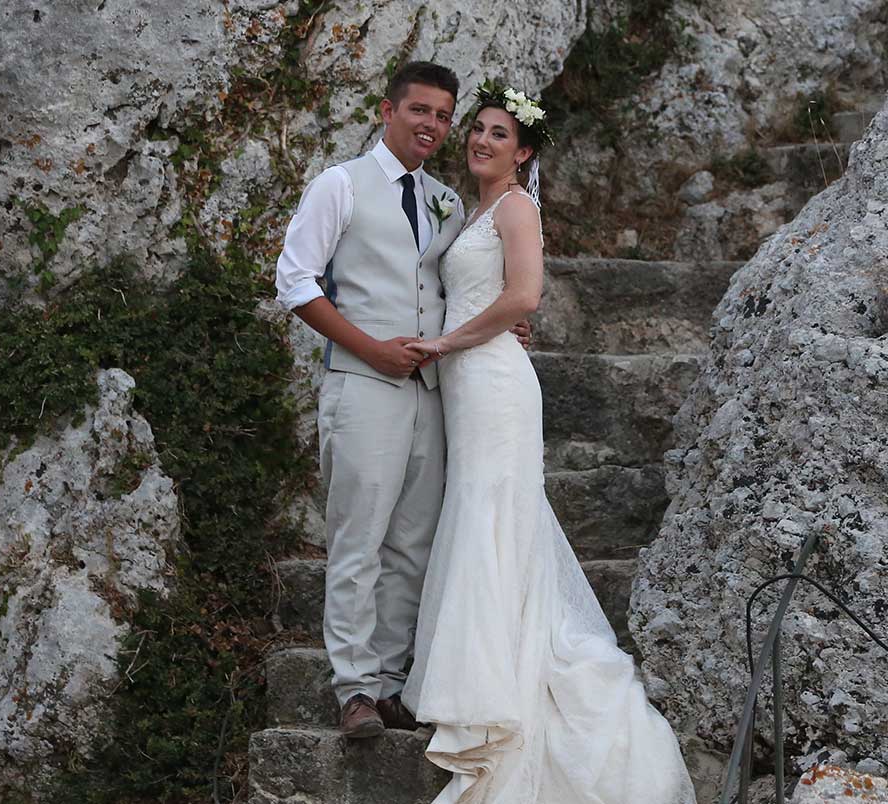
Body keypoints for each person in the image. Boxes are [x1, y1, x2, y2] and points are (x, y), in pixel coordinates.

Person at [397, 80, 696, 804]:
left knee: (495, 508)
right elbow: (493, 292)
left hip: (494, 382)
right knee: (481, 509)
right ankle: (485, 668)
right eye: (479, 130)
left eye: (500, 134)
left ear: (523, 152)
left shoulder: (518, 206)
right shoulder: (476, 209)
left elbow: (525, 297)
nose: (481, 140)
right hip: (469, 382)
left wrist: (447, 340)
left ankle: (498, 685)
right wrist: (460, 335)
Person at [272, 61, 529, 739]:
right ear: (388, 112)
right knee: (359, 539)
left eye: (444, 116)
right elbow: (295, 281)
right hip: (363, 387)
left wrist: (505, 318)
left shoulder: (447, 198)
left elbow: (461, 284)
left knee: (413, 543)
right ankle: (353, 690)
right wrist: (368, 348)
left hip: (436, 393)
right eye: (420, 111)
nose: (433, 126)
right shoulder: (341, 184)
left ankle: (390, 684)